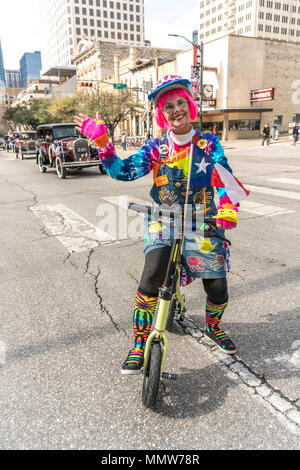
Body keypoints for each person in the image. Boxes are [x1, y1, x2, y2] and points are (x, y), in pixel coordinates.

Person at [74, 75, 249, 375]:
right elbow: (123, 172)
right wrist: (104, 145)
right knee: (151, 277)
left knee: (218, 289)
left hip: (202, 220)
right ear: (160, 113)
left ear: (190, 106)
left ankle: (213, 325)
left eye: (181, 102)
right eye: (168, 106)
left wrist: (228, 208)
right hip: (164, 220)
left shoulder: (209, 143)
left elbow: (223, 177)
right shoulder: (155, 148)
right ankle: (139, 345)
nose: (176, 109)